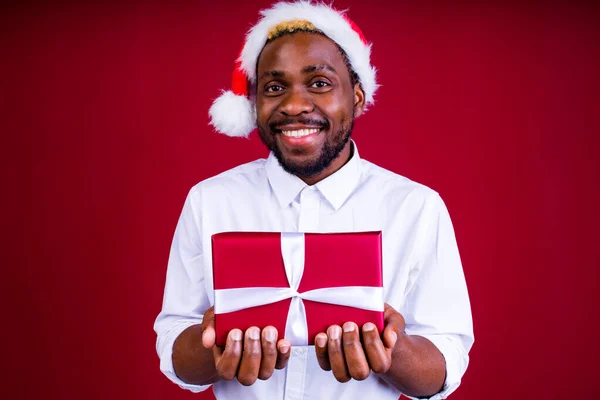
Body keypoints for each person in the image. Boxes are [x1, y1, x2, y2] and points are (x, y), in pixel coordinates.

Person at [154, 1, 474, 399]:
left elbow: (446, 359)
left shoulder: (416, 207)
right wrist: (213, 349)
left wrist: (393, 352)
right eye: (274, 87)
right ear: (253, 104)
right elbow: (173, 341)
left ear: (357, 97)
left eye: (320, 83)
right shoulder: (210, 201)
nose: (293, 105)